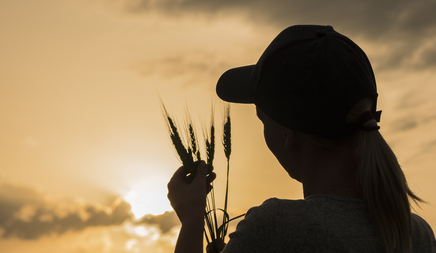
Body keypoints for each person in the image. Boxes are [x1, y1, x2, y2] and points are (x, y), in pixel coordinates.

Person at [167, 25, 436, 253]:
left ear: (288, 133)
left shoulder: (274, 228)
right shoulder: (418, 235)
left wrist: (192, 220)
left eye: (262, 119)